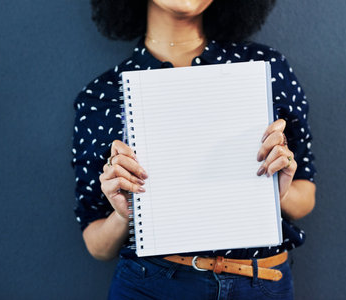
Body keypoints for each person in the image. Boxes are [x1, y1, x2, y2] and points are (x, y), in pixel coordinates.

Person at [71, 0, 316, 299]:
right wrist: (124, 215)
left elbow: (306, 195)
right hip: (152, 284)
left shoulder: (265, 68)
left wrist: (279, 192)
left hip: (260, 283)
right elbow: (97, 244)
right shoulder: (101, 96)